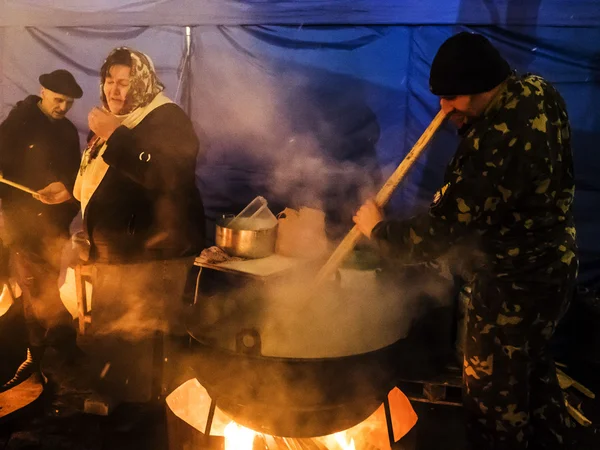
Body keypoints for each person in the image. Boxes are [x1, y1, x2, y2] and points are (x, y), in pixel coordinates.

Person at [353, 32, 577, 449]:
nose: (444, 108)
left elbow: (439, 234)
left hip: (515, 285)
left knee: (494, 405)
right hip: (554, 267)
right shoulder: (537, 90)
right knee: (531, 373)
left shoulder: (498, 144)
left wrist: (378, 229)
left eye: (452, 97)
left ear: (481, 85)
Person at [73, 47, 205, 405]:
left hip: (152, 257)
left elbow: (167, 176)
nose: (116, 91)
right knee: (117, 335)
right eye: (111, 82)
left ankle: (146, 416)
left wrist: (116, 135)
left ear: (144, 83)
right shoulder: (118, 119)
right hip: (118, 255)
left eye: (126, 83)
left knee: (143, 341)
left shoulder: (167, 118)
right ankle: (118, 401)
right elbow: (106, 183)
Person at [0, 69, 84, 390]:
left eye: (68, 102)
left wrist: (64, 188)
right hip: (22, 223)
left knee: (38, 288)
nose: (62, 107)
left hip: (53, 223)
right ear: (43, 91)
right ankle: (61, 352)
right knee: (39, 287)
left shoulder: (66, 132)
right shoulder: (18, 122)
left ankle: (37, 358)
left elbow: (74, 174)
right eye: (58, 99)